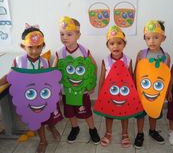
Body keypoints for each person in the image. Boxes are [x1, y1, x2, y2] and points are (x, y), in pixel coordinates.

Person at [0, 24, 63, 153]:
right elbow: (11, 76)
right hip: (31, 98)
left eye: (38, 47)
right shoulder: (19, 61)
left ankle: (51, 127)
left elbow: (49, 79)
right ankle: (43, 140)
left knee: (50, 115)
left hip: (44, 96)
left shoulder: (45, 62)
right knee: (38, 119)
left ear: (43, 45)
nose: (35, 51)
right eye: (30, 47)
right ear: (23, 46)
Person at [52, 16, 100, 144]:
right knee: (70, 112)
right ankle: (75, 128)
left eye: (69, 34)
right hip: (66, 92)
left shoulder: (84, 51)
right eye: (62, 34)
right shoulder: (59, 53)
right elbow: (53, 72)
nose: (64, 37)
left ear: (78, 35)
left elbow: (93, 66)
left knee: (86, 112)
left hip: (82, 91)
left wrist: (91, 85)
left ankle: (92, 129)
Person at [134, 20, 170, 149]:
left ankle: (152, 131)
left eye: (156, 37)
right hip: (142, 91)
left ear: (163, 38)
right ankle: (139, 133)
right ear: (145, 39)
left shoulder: (166, 57)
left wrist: (167, 91)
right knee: (140, 114)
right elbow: (136, 73)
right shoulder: (141, 54)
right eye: (148, 38)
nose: (152, 41)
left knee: (154, 111)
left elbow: (167, 76)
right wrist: (134, 89)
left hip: (156, 92)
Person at [98, 25, 132, 148]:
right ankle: (108, 133)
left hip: (124, 93)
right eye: (112, 43)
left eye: (119, 43)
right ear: (108, 46)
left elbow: (131, 78)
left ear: (124, 44)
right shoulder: (105, 61)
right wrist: (100, 93)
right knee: (109, 114)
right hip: (109, 94)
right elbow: (102, 78)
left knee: (125, 114)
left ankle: (125, 133)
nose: (115, 46)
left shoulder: (128, 60)